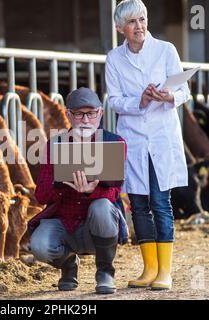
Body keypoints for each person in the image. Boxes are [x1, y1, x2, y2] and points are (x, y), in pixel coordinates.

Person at [106, 0, 190, 290]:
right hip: (133, 138)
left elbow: (184, 90)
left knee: (160, 203)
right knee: (139, 205)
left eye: (142, 19)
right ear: (120, 28)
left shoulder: (165, 50)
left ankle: (164, 271)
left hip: (161, 136)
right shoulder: (114, 59)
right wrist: (139, 101)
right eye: (132, 22)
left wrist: (169, 97)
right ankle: (149, 268)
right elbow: (114, 100)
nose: (139, 26)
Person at [29, 87, 128, 294]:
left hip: (97, 225)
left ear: (100, 114)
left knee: (101, 206)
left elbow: (114, 192)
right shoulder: (55, 144)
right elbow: (41, 195)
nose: (85, 119)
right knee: (39, 245)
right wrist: (62, 185)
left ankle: (105, 272)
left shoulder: (114, 143)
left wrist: (90, 191)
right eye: (78, 113)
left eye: (91, 113)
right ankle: (68, 264)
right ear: (68, 115)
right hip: (64, 221)